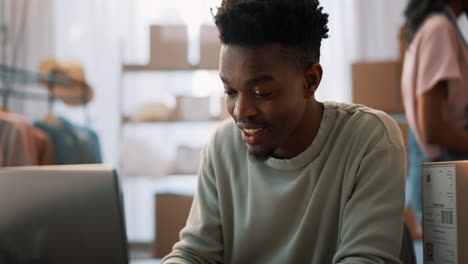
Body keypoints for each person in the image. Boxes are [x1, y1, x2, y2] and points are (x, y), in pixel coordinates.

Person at [162, 0, 407, 263]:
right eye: (230, 91)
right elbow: (195, 252)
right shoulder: (223, 146)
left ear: (310, 81)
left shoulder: (369, 141)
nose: (241, 111)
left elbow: (364, 259)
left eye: (262, 93)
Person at [401, 0, 468, 240]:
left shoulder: (434, 27)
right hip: (445, 180)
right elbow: (433, 128)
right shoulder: (439, 30)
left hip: (442, 176)